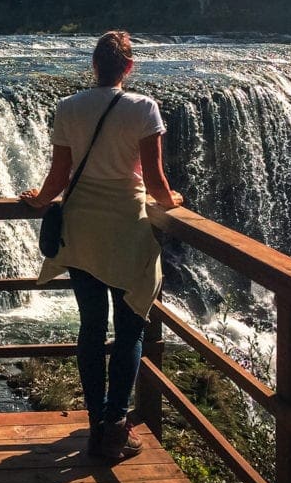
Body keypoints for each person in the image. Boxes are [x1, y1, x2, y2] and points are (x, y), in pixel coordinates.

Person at [20, 30, 182, 460]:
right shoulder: (143, 108)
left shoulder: (67, 107)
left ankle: (95, 425)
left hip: (82, 229)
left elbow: (59, 175)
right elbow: (154, 178)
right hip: (126, 228)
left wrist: (37, 201)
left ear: (94, 66)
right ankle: (115, 426)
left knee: (91, 328)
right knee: (130, 330)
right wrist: (172, 202)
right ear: (128, 67)